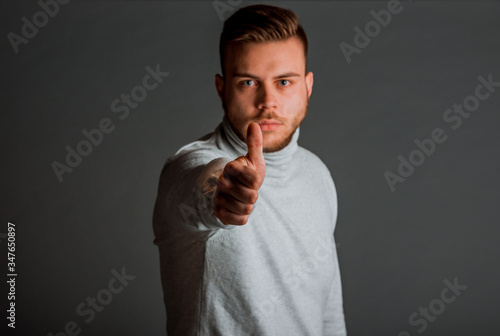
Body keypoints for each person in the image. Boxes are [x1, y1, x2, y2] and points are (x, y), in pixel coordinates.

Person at [153, 4, 347, 335]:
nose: (267, 101)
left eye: (284, 81)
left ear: (308, 85)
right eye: (247, 82)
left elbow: (328, 310)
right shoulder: (187, 166)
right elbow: (200, 185)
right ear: (221, 87)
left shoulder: (318, 175)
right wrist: (220, 192)